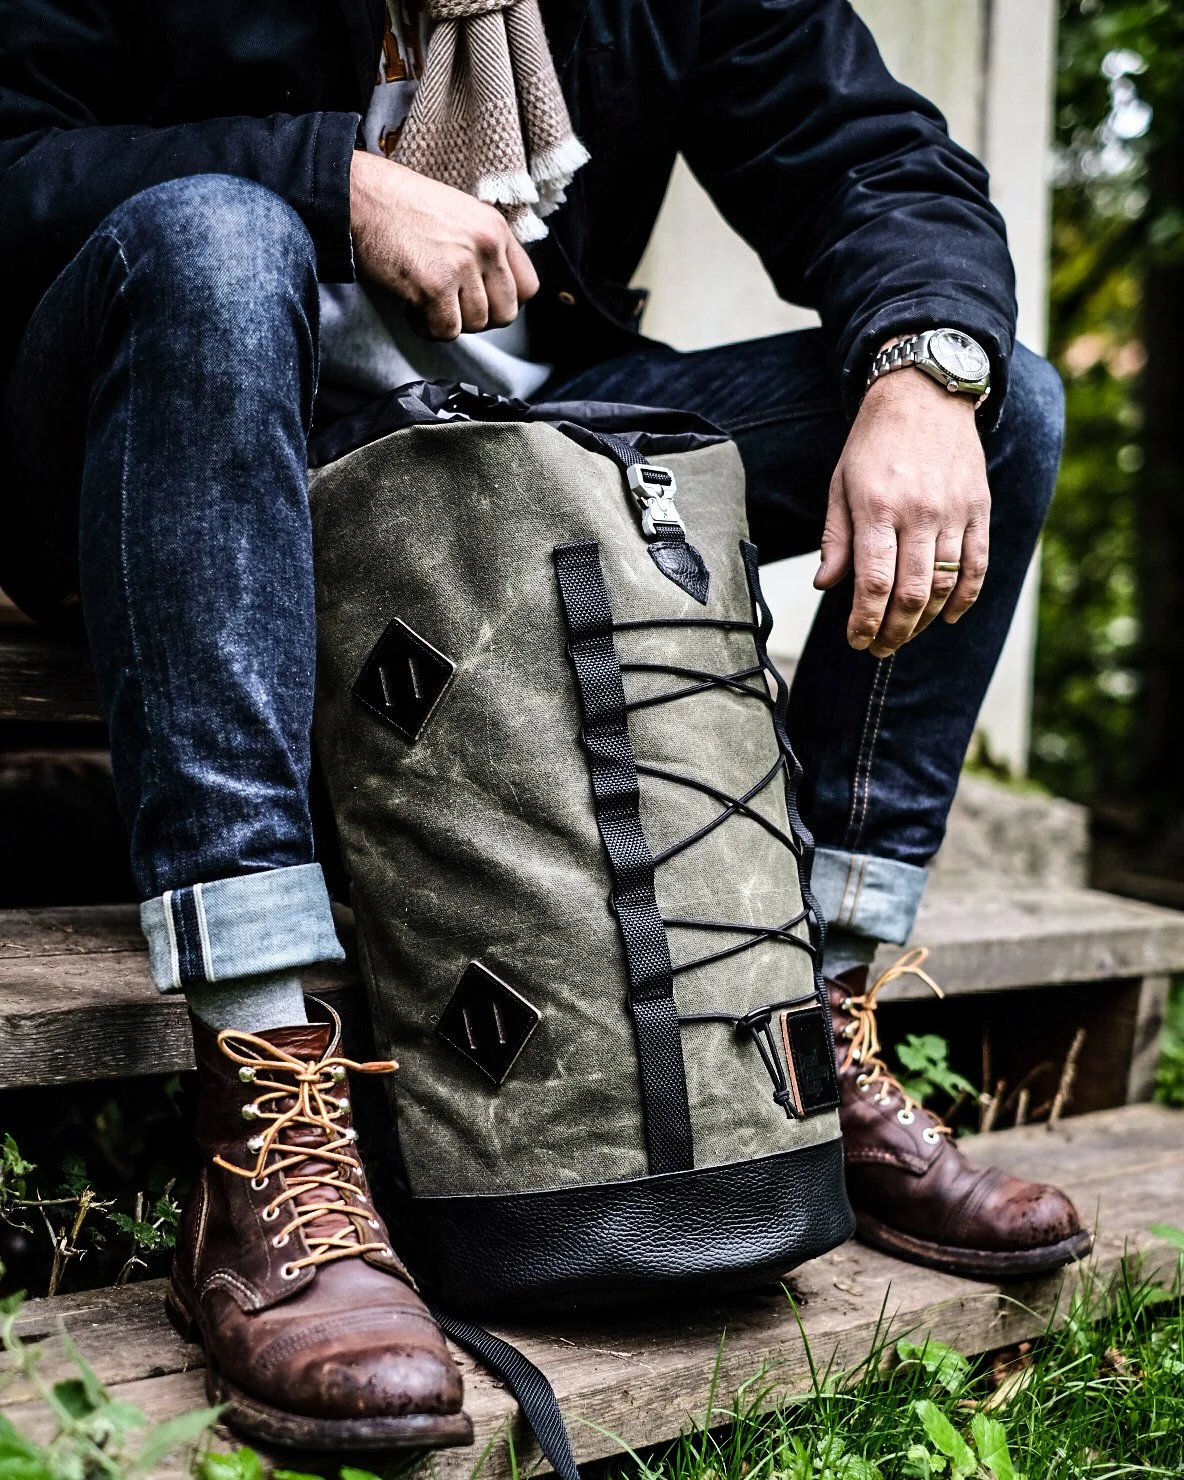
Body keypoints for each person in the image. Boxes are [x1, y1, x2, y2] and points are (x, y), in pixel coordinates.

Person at [0, 0, 1088, 1450]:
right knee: (215, 232)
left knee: (995, 396)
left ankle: (802, 1040)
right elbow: (18, 166)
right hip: (172, 419)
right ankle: (264, 1094)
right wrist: (331, 177)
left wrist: (924, 371)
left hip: (518, 436)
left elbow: (876, 163)